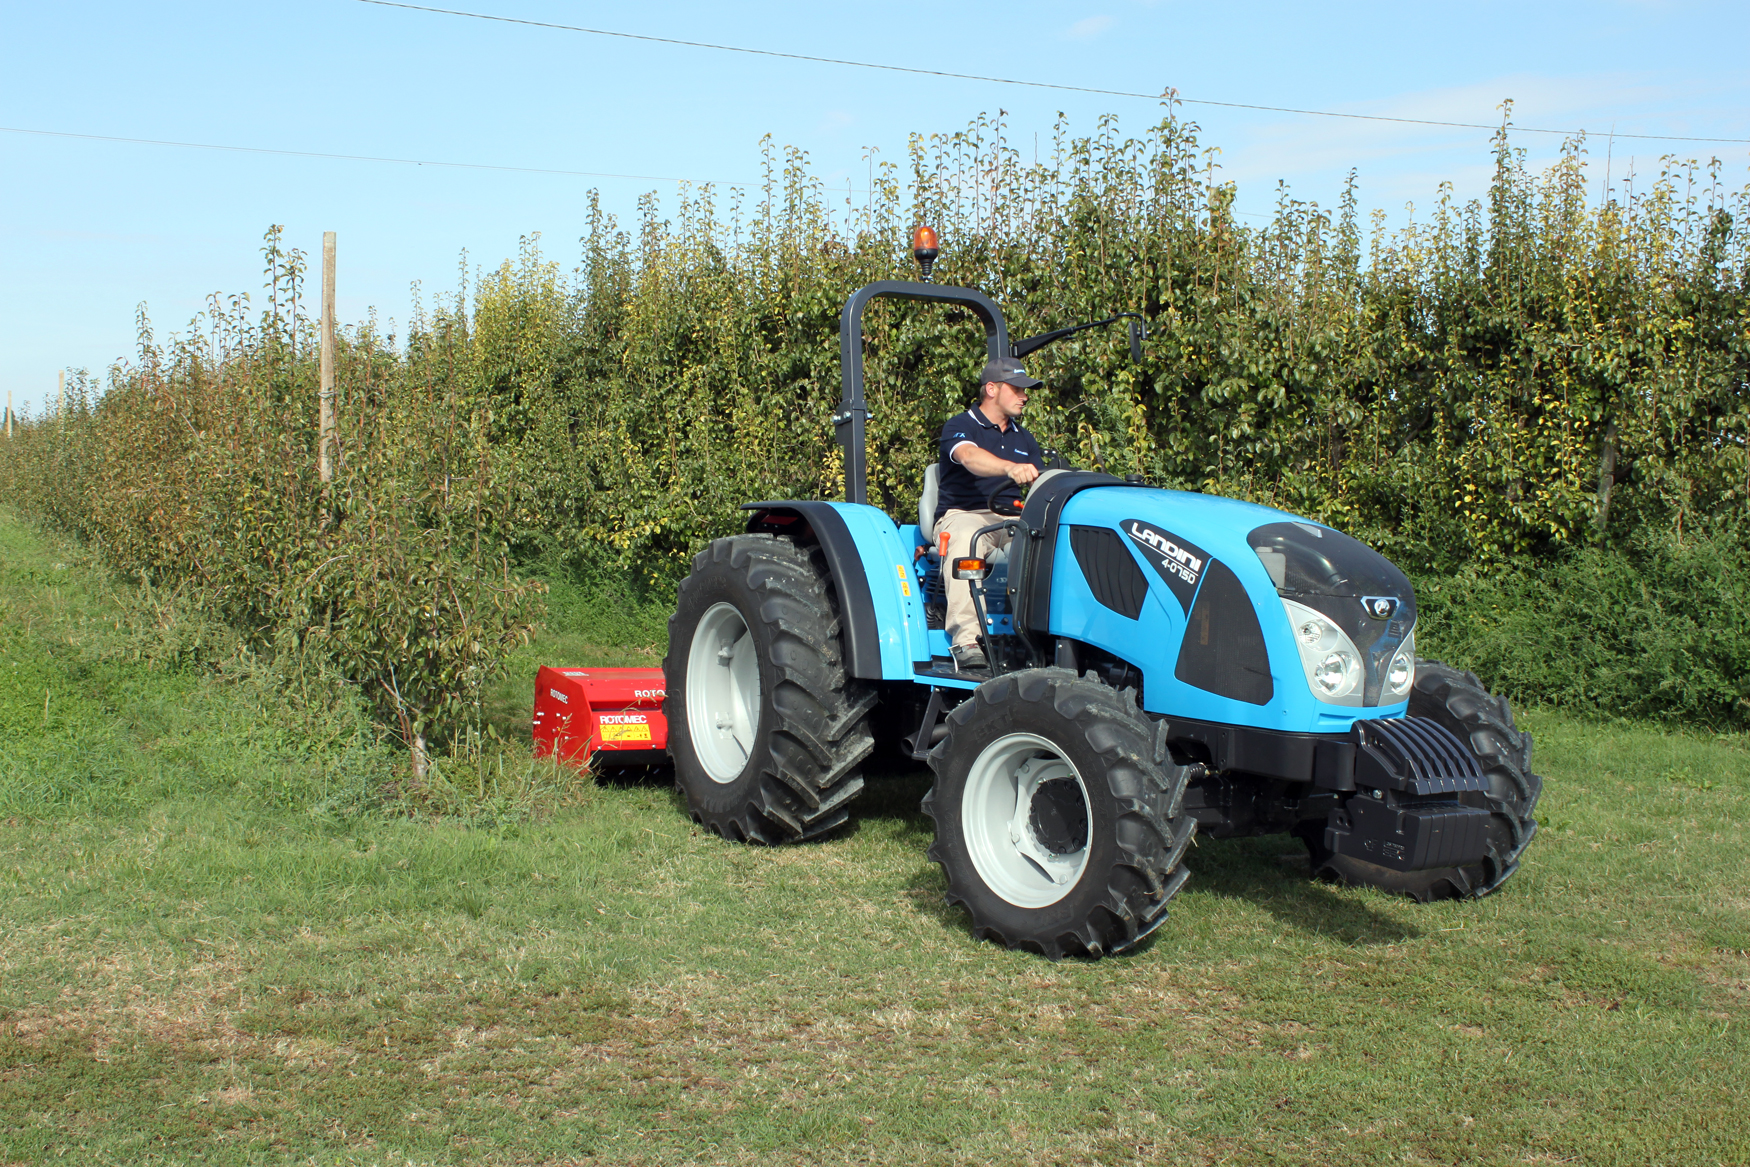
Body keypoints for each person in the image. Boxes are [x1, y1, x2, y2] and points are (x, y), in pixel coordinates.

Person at [932, 356, 1045, 671]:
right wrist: (1010, 468)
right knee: (967, 538)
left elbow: (1041, 478)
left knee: (1049, 543)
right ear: (992, 389)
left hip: (1012, 520)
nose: (1025, 397)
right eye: (1018, 389)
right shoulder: (961, 425)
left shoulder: (1024, 438)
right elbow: (969, 457)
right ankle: (966, 640)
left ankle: (1042, 636)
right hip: (966, 514)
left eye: (1027, 391)